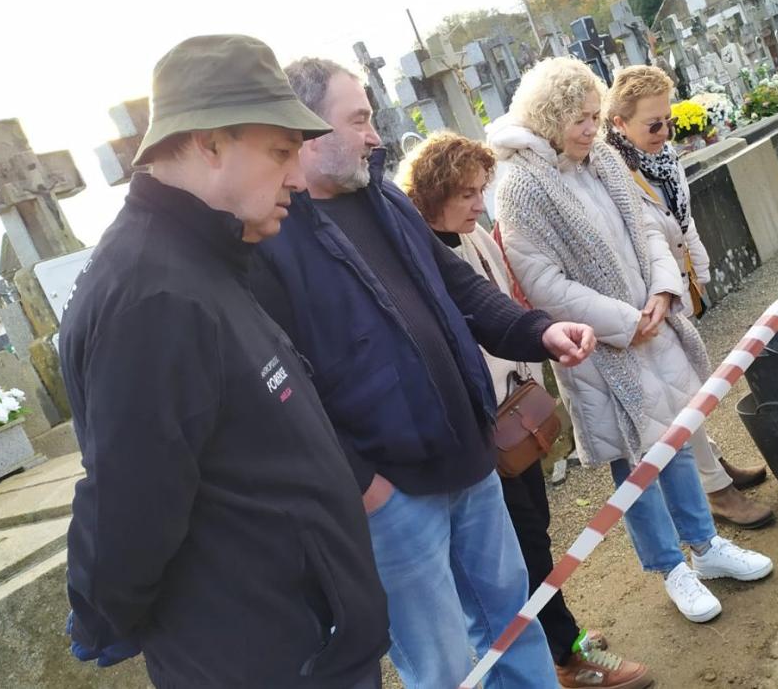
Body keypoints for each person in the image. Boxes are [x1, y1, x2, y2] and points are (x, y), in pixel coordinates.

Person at [250, 57, 597, 689]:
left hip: (470, 456)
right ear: (304, 127)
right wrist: (365, 485)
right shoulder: (270, 236)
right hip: (391, 495)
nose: (375, 136)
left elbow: (458, 286)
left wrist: (537, 329)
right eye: (358, 120)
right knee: (437, 661)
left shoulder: (383, 198)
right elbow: (281, 388)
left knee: (510, 617)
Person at [59, 35, 389, 687]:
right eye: (279, 152)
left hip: (304, 637)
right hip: (261, 656)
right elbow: (130, 500)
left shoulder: (204, 261)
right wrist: (104, 614)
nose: (297, 175)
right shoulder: (153, 296)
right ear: (208, 144)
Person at [490, 57, 775, 625]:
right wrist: (626, 320)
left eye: (596, 115)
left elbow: (646, 227)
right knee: (634, 463)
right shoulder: (520, 186)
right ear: (549, 118)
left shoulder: (597, 158)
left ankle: (706, 546)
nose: (593, 128)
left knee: (675, 438)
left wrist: (663, 292)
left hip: (652, 323)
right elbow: (543, 282)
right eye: (580, 119)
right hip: (600, 349)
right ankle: (671, 567)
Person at [396, 131, 653, 689]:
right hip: (478, 425)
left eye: (480, 190)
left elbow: (503, 306)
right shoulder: (419, 253)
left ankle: (552, 641)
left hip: (515, 412)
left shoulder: (473, 239)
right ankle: (566, 650)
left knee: (531, 534)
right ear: (432, 191)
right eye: (465, 193)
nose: (478, 204)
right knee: (515, 553)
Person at [604, 65, 774, 530]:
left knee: (690, 389)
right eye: (653, 125)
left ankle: (714, 465)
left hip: (677, 284)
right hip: (648, 297)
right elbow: (646, 237)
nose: (665, 133)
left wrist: (698, 269)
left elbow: (683, 222)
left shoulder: (663, 160)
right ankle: (716, 490)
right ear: (620, 123)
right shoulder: (615, 173)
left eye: (669, 121)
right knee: (682, 396)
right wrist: (671, 286)